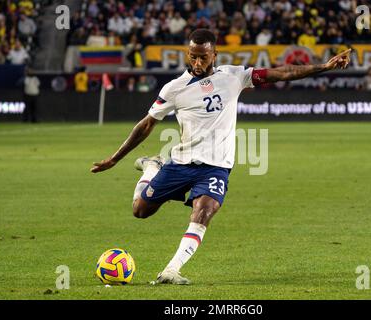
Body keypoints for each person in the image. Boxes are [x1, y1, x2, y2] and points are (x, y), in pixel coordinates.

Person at [91, 29, 351, 285]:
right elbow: (147, 124)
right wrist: (115, 158)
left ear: (214, 54)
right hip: (181, 163)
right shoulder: (174, 89)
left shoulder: (233, 76)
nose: (197, 62)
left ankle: (171, 269)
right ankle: (151, 167)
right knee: (140, 211)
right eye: (192, 56)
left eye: (203, 57)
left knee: (204, 212)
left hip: (216, 167)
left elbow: (283, 72)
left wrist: (324, 67)